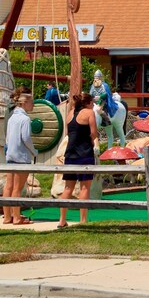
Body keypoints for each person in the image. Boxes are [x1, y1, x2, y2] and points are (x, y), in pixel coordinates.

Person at [58, 93, 99, 228]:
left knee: (68, 188)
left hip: (70, 154)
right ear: (87, 103)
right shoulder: (89, 113)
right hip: (84, 153)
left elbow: (69, 132)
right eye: (92, 103)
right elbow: (93, 133)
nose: (93, 105)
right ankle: (83, 220)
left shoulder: (70, 113)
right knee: (84, 187)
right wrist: (96, 147)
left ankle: (62, 220)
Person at [3, 93, 37, 225]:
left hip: (11, 154)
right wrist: (33, 151)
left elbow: (7, 136)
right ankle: (16, 217)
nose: (33, 105)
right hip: (21, 156)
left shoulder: (12, 118)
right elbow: (26, 138)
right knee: (17, 188)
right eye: (31, 102)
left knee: (8, 186)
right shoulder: (25, 119)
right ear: (24, 103)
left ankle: (7, 216)